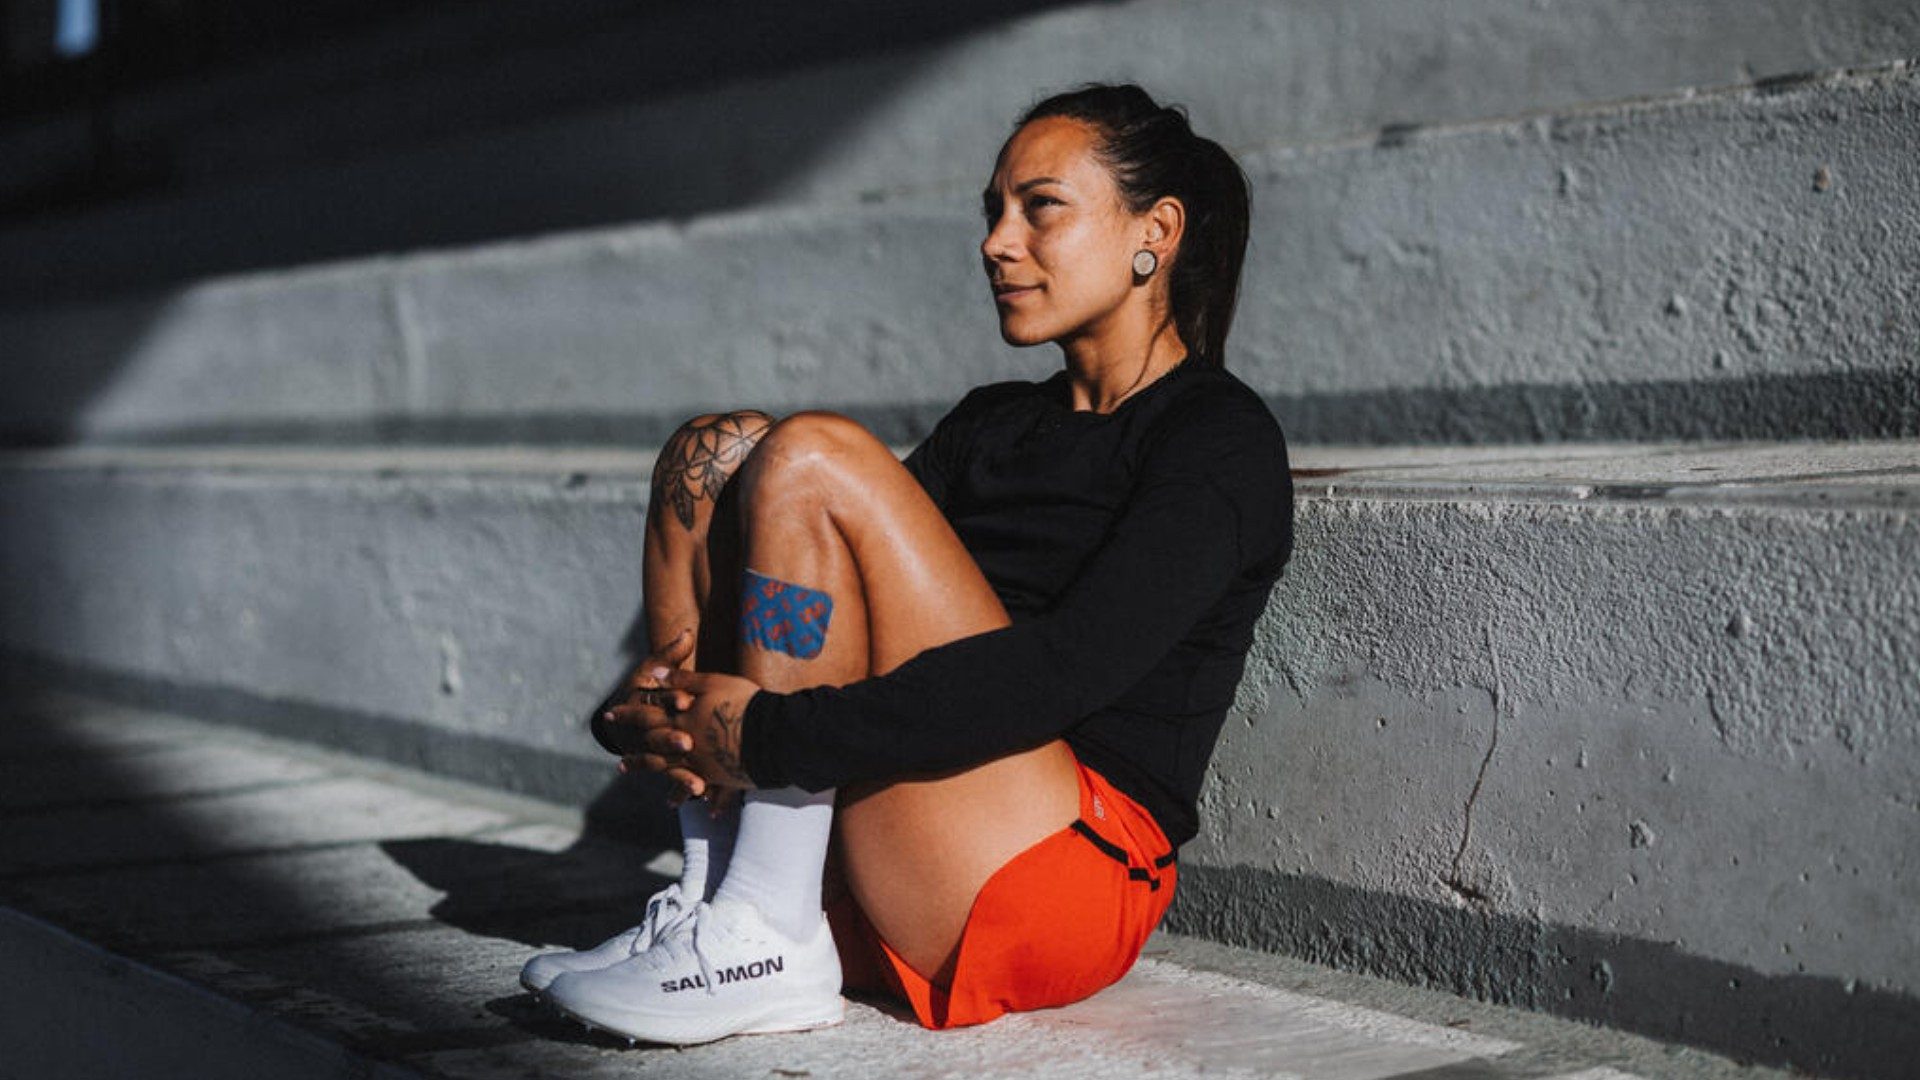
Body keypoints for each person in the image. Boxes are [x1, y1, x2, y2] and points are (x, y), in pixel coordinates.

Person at [520, 83, 1293, 1045]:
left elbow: (1063, 672)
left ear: (1157, 231)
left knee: (811, 457)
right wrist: (661, 720)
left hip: (1059, 872)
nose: (997, 243)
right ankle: (720, 895)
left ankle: (767, 935)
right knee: (713, 455)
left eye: (1040, 208)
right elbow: (823, 598)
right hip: (904, 852)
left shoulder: (1216, 439)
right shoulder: (992, 424)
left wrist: (765, 736)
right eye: (993, 212)